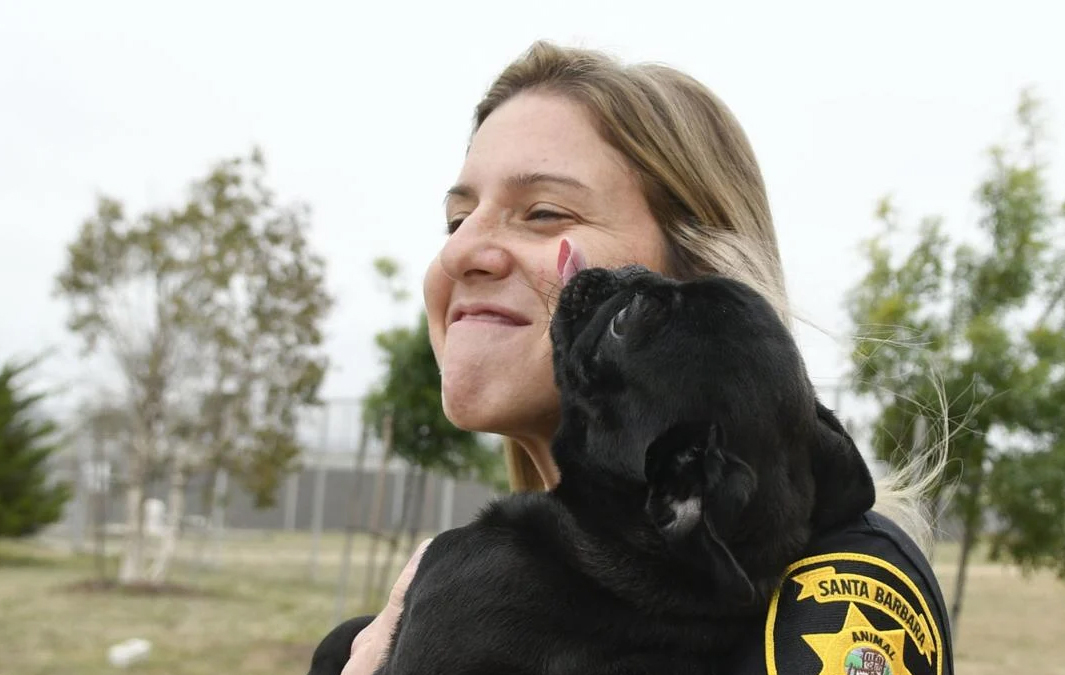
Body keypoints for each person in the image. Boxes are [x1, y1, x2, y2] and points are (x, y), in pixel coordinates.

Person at [335, 40, 954, 675]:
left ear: (702, 277)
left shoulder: (832, 595)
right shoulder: (412, 626)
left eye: (544, 213)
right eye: (456, 220)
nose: (459, 253)